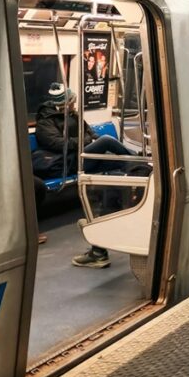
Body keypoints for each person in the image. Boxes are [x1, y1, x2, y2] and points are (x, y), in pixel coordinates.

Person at [35, 83, 136, 268]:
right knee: (106, 141)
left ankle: (137, 170)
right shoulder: (45, 121)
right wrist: (87, 141)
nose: (74, 105)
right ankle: (139, 164)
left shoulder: (73, 116)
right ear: (64, 103)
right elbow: (59, 144)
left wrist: (88, 139)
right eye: (71, 101)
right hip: (67, 163)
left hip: (83, 156)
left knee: (116, 163)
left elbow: (89, 132)